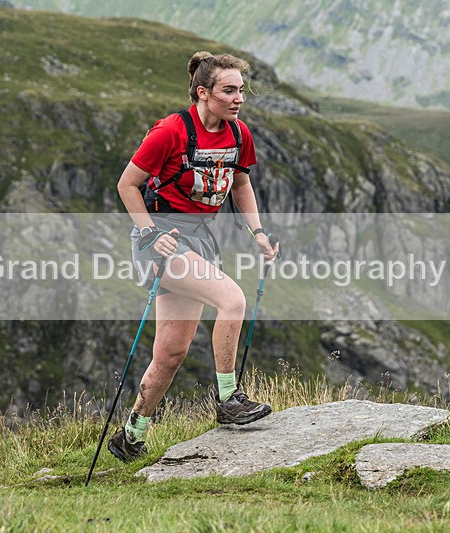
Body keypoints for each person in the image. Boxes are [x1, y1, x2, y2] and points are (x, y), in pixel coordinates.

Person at [109, 51, 280, 462]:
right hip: (162, 238)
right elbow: (127, 185)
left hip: (198, 238)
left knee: (170, 353)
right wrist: (150, 235)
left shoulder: (238, 134)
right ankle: (229, 399)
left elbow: (240, 184)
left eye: (241, 90)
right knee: (232, 299)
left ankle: (130, 435)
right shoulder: (170, 130)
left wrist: (256, 231)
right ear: (203, 93)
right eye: (229, 90)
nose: (238, 98)